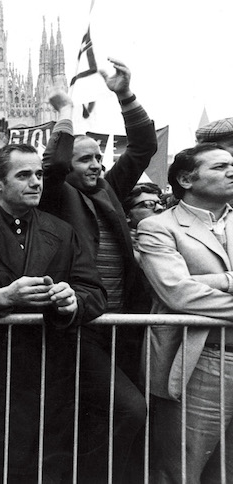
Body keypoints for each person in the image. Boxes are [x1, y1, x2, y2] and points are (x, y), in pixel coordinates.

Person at [0, 144, 106, 482]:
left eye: (39, 174)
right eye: (24, 175)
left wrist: (73, 301)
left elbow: (94, 291)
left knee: (41, 463)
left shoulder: (61, 231)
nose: (36, 182)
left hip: (49, 365)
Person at [42, 59, 157, 482]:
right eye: (85, 159)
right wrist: (65, 114)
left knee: (110, 414)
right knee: (129, 408)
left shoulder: (107, 189)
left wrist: (125, 95)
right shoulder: (53, 195)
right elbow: (53, 166)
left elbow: (143, 147)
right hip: (81, 325)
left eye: (97, 158)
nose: (95, 165)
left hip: (120, 323)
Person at [137, 143, 233, 483]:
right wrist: (226, 281)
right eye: (220, 166)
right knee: (181, 469)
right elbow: (179, 293)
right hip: (201, 361)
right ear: (186, 179)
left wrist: (212, 282)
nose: (231, 171)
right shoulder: (159, 227)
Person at [123, 182, 165, 258]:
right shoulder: (121, 247)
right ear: (126, 215)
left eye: (160, 203)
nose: (160, 208)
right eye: (149, 204)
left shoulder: (170, 239)